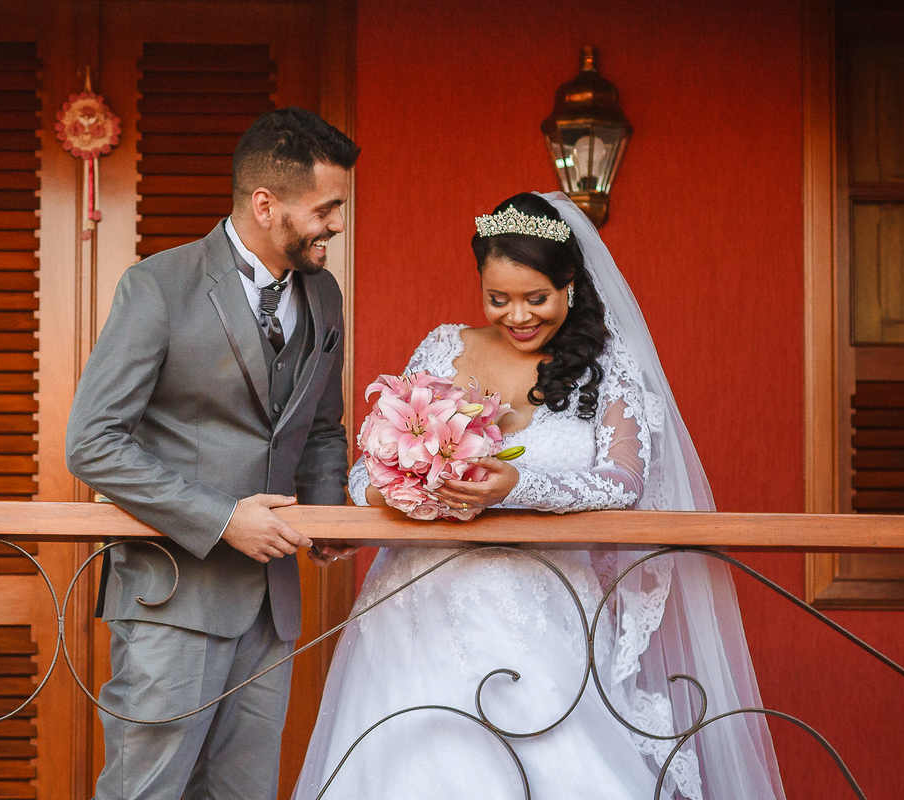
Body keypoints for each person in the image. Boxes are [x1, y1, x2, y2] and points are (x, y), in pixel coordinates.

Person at [292, 192, 785, 800]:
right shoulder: (446, 346)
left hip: (547, 611)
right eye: (498, 299)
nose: (517, 315)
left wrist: (513, 487)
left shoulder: (607, 363)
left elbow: (621, 482)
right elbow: (369, 473)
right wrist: (414, 489)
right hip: (419, 608)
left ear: (570, 284)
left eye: (536, 298)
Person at [66, 107, 357, 800]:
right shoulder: (159, 287)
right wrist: (223, 518)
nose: (338, 225)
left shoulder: (324, 296)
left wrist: (327, 511)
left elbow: (320, 427)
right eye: (327, 208)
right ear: (266, 204)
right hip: (172, 594)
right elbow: (92, 443)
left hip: (270, 605)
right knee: (148, 792)